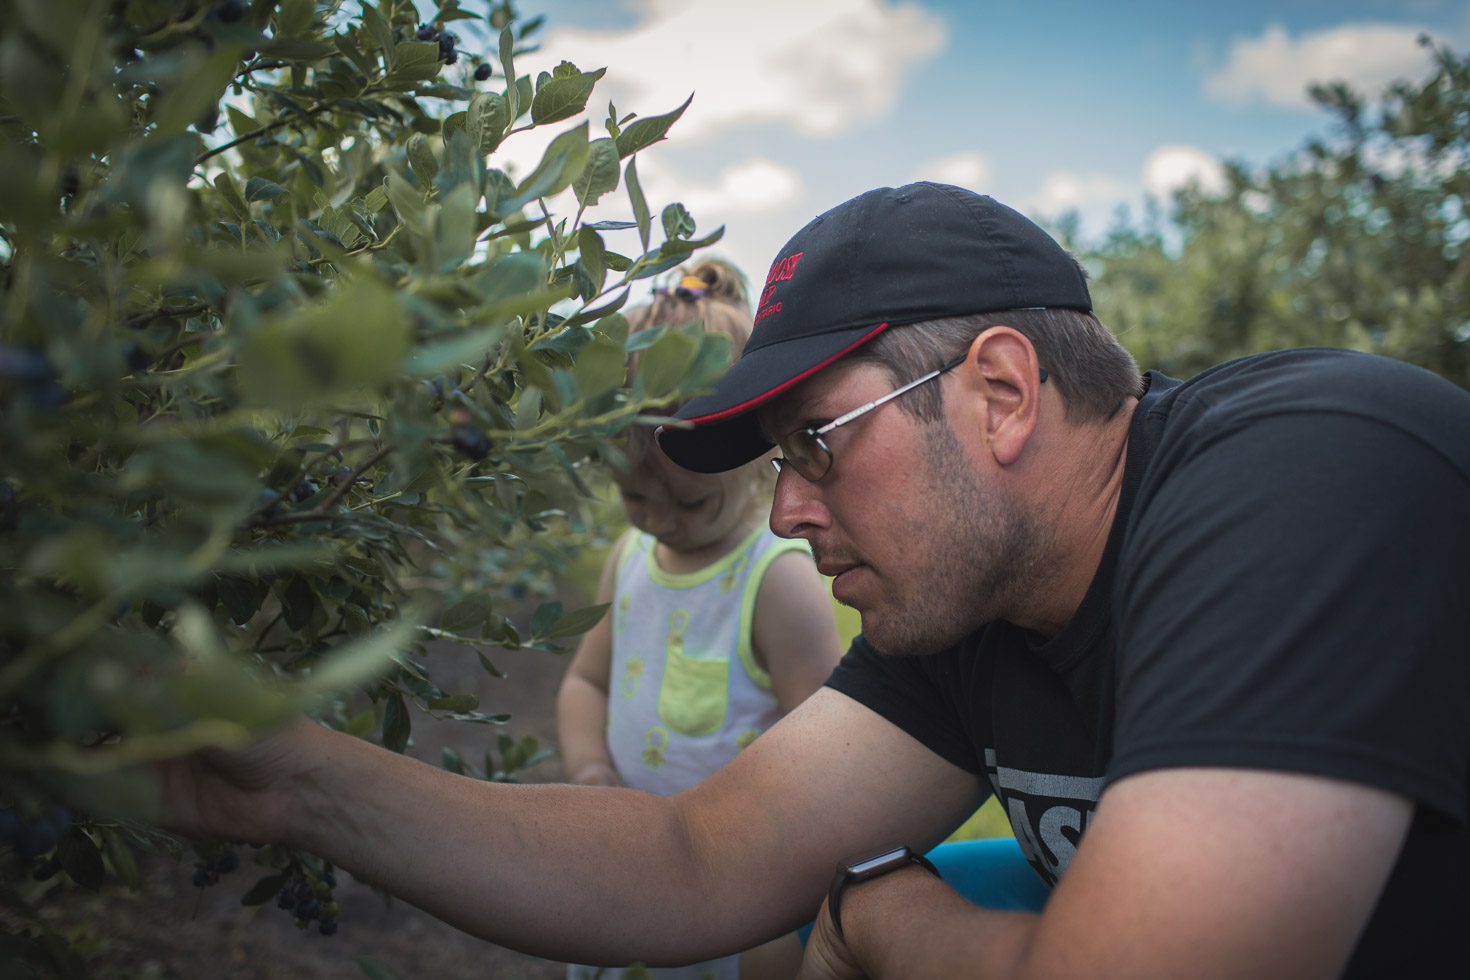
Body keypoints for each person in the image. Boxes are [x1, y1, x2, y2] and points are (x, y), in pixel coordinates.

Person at [158, 183, 1470, 980]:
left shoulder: (1318, 472)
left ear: (1001, 394)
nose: (785, 513)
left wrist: (881, 916)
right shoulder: (973, 599)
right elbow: (694, 855)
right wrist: (298, 780)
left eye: (816, 448)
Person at [557, 262, 842, 980]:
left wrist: (777, 910)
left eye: (689, 504)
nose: (661, 523)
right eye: (634, 498)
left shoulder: (775, 582)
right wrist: (591, 774)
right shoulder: (629, 558)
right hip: (625, 875)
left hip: (729, 900)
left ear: (754, 462)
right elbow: (586, 683)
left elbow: (831, 753)